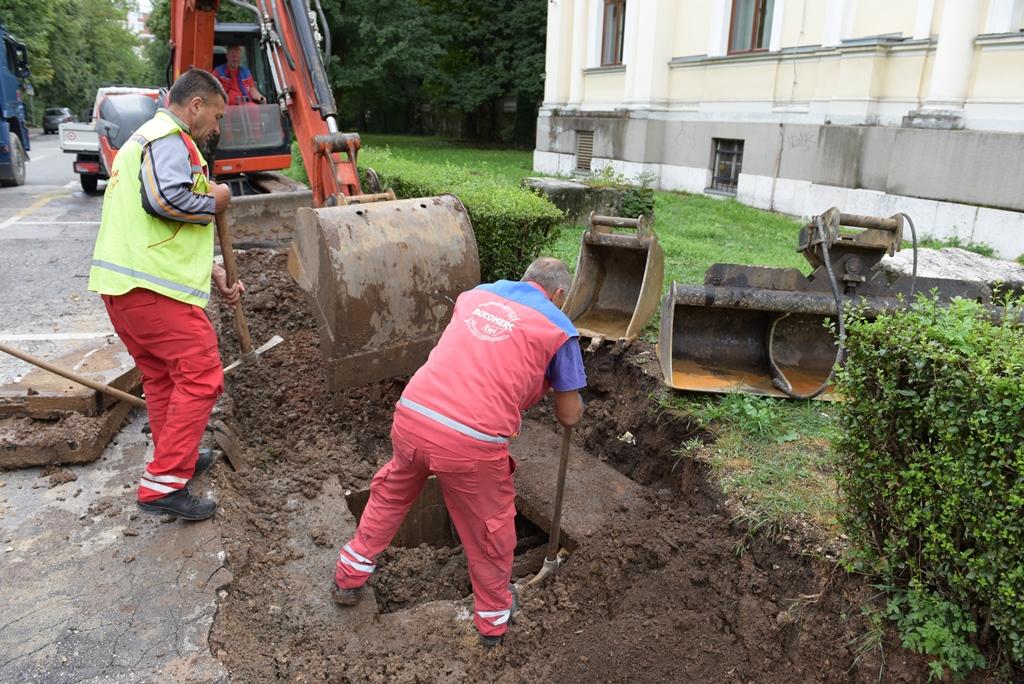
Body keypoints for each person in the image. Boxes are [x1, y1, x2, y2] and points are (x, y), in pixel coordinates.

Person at [332, 258, 586, 647]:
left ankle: (348, 575)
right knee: (490, 529)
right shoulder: (558, 328)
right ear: (559, 295)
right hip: (470, 442)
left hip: (413, 416)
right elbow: (568, 416)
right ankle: (493, 621)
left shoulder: (477, 296)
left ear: (525, 279)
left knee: (392, 493)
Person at [87, 68, 243, 521]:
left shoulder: (142, 140)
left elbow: (151, 222)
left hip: (126, 289)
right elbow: (167, 200)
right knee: (202, 375)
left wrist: (211, 268)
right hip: (151, 291)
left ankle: (174, 460)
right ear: (195, 106)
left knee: (163, 379)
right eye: (215, 116)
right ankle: (163, 485)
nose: (215, 128)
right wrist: (218, 199)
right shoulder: (168, 138)